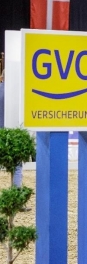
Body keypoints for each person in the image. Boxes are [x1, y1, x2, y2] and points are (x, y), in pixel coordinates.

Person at [0, 70, 31, 212]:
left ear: (2, 77)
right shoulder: (19, 94)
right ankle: (17, 201)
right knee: (17, 168)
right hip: (12, 136)